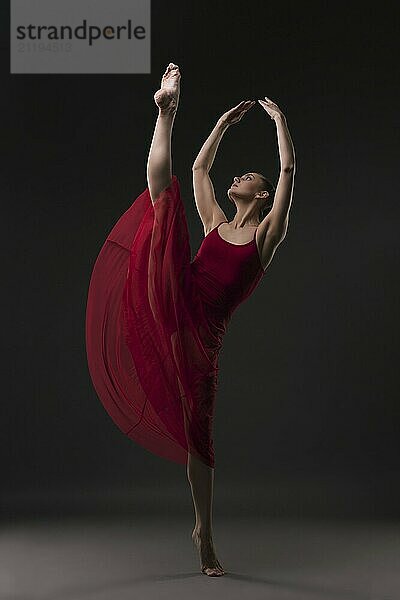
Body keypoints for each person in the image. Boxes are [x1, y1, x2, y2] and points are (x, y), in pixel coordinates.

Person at [85, 62, 296, 577]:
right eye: (240, 174)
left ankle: (204, 531)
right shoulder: (216, 223)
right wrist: (221, 124)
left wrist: (278, 125)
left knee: (198, 436)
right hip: (175, 295)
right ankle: (167, 110)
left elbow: (288, 171)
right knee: (167, 196)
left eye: (250, 177)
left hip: (203, 337)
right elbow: (201, 171)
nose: (239, 177)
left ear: (262, 196)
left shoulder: (265, 239)